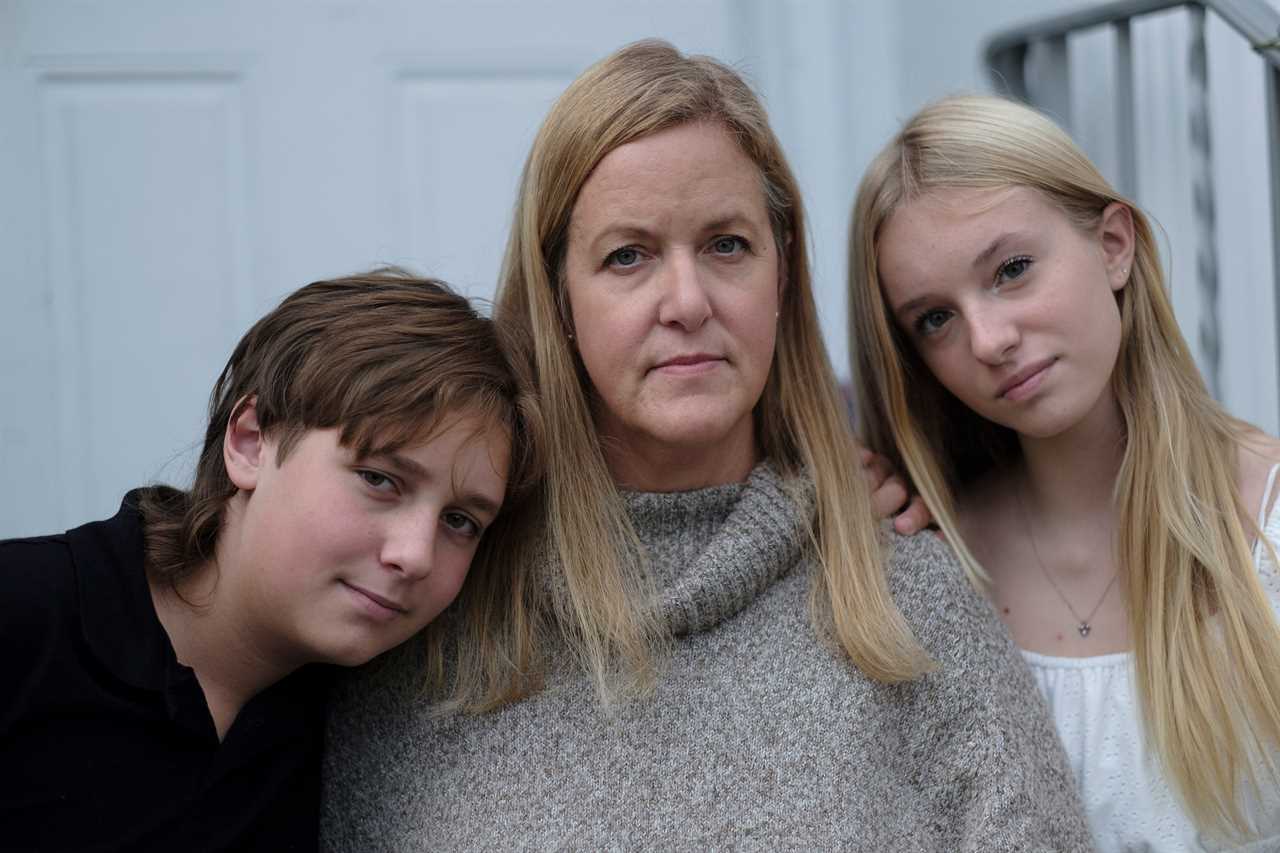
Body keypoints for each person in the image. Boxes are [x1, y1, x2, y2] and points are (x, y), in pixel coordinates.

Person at [321, 43, 1092, 850]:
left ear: (783, 271)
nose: (686, 302)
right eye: (629, 256)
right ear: (558, 298)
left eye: (727, 245)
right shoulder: (428, 608)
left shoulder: (911, 606)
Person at [849, 93, 1280, 850]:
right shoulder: (929, 567)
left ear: (1114, 244)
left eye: (1012, 269)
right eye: (934, 318)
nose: (987, 339)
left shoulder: (1268, 529)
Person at [0, 270, 536, 852]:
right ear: (251, 441)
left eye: (460, 521)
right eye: (380, 479)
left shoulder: (373, 715)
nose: (414, 555)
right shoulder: (25, 617)